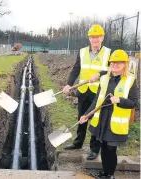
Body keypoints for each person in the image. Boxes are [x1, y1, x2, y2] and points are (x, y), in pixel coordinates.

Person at [80, 49, 138, 179]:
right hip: (102, 120)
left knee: (111, 149)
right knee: (104, 148)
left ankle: (110, 175)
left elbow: (134, 103)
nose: (115, 65)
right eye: (113, 63)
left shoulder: (130, 80)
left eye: (119, 63)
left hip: (116, 123)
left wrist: (119, 100)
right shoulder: (105, 78)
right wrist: (86, 115)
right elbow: (96, 100)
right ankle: (105, 172)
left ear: (125, 64)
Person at [63, 24, 111, 160]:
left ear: (102, 37)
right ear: (89, 38)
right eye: (92, 37)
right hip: (83, 91)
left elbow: (112, 70)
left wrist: (100, 74)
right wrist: (68, 84)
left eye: (97, 37)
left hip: (98, 92)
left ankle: (94, 148)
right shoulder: (82, 51)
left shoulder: (108, 53)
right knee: (82, 117)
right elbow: (76, 69)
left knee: (96, 120)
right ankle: (78, 143)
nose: (95, 40)